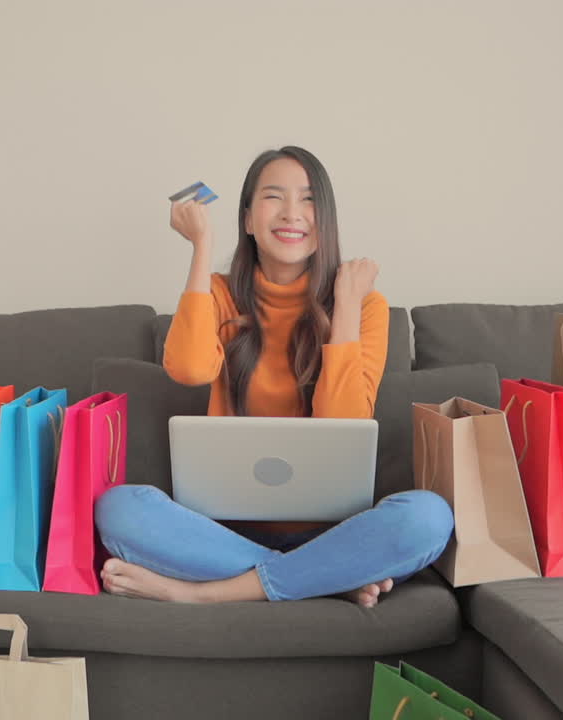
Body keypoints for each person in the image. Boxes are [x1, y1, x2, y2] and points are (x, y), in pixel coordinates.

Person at [95, 146, 453, 608]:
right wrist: (201, 249)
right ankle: (323, 579)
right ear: (246, 219)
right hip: (225, 533)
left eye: (308, 200)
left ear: (325, 220)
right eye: (273, 197)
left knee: (428, 517)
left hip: (338, 531)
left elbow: (342, 421)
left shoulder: (364, 305)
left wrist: (344, 304)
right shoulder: (220, 295)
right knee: (119, 509)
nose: (291, 213)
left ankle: (205, 595)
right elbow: (188, 367)